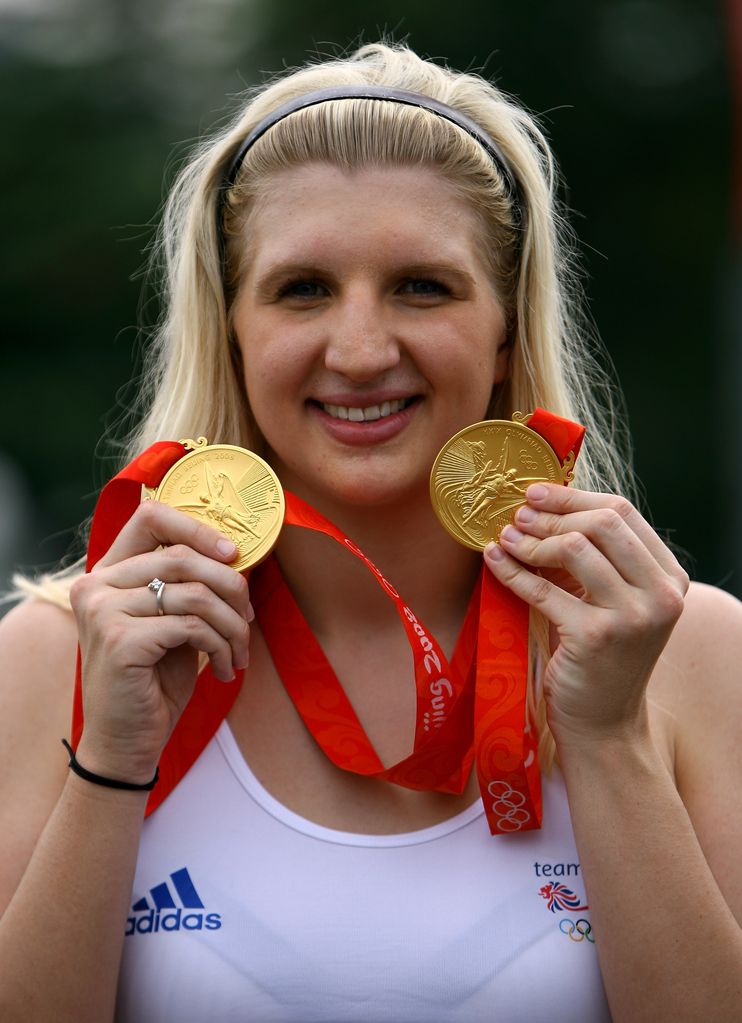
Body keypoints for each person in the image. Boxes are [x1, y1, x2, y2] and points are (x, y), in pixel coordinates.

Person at [1, 41, 740, 1023]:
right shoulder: (60, 660)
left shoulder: (689, 651)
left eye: (421, 287)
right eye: (302, 288)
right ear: (233, 328)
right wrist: (113, 757)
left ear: (506, 329)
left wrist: (606, 738)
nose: (358, 350)